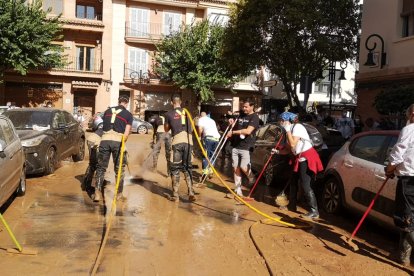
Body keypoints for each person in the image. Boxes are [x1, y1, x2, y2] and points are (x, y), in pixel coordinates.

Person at [274, 111, 323, 219]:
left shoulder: (297, 127)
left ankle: (314, 211)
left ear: (286, 121)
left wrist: (287, 131)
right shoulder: (289, 130)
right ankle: (292, 206)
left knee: (306, 184)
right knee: (293, 182)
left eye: (281, 121)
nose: (280, 123)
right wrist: (276, 151)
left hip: (307, 158)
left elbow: (292, 144)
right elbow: (288, 150)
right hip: (298, 158)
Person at [384, 103, 414, 266]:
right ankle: (404, 256)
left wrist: (389, 169)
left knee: (405, 219)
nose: (406, 118)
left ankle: (405, 256)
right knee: (411, 220)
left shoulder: (409, 129)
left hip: (409, 179)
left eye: (407, 115)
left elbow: (398, 153)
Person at [93, 96, 133, 202]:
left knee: (101, 168)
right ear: (127, 103)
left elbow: (103, 121)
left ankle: (97, 193)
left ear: (118, 101)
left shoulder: (108, 111)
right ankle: (119, 194)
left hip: (104, 141)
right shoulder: (128, 115)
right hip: (118, 142)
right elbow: (126, 134)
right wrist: (123, 145)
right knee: (119, 169)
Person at [164, 94, 196, 202]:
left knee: (175, 168)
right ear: (180, 102)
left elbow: (166, 129)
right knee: (188, 167)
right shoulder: (188, 113)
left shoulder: (169, 114)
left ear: (171, 102)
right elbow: (191, 128)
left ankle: (175, 195)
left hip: (177, 142)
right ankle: (191, 192)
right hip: (188, 142)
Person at [226, 99, 260, 197]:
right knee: (235, 167)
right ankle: (238, 190)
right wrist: (231, 120)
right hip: (236, 145)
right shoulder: (241, 114)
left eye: (246, 107)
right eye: (243, 106)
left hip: (247, 146)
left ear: (252, 106)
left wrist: (233, 132)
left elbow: (248, 131)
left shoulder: (255, 117)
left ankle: (252, 179)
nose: (244, 108)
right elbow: (233, 119)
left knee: (244, 166)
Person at [82, 116, 103, 194]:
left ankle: (85, 184)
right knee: (96, 164)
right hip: (95, 142)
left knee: (92, 163)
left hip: (91, 139)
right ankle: (88, 185)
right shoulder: (112, 128)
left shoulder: (104, 124)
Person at [197, 111, 221, 180]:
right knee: (212, 156)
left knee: (205, 156)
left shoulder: (201, 119)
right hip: (216, 139)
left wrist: (199, 137)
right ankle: (210, 172)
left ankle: (205, 174)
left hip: (208, 139)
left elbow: (200, 129)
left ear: (200, 116)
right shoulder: (212, 120)